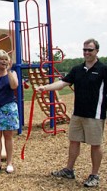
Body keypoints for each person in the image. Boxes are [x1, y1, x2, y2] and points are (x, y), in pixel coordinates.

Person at [36, 38, 107, 188]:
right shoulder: (77, 69)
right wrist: (45, 87)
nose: (87, 52)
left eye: (90, 50)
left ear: (97, 51)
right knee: (73, 141)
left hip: (95, 114)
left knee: (95, 144)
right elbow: (62, 83)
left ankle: (94, 175)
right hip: (77, 114)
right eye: (85, 50)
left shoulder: (103, 69)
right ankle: (69, 170)